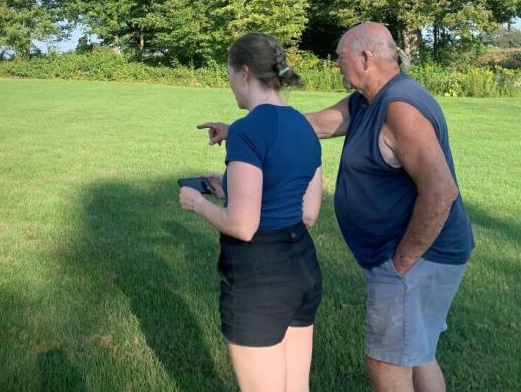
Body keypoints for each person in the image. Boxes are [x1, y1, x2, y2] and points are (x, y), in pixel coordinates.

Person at [199, 22, 474, 392]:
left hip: (420, 255)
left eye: (339, 57)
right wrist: (239, 130)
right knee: (417, 351)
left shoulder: (400, 106)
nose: (335, 65)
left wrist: (403, 263)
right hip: (425, 254)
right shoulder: (367, 101)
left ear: (365, 57)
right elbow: (310, 126)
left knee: (388, 362)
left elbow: (442, 191)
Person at [180, 32, 324, 392]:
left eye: (229, 76)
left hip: (260, 276)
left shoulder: (246, 131)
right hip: (302, 268)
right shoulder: (304, 127)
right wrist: (229, 186)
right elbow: (307, 212)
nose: (230, 86)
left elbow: (243, 225)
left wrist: (197, 202)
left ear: (244, 73)